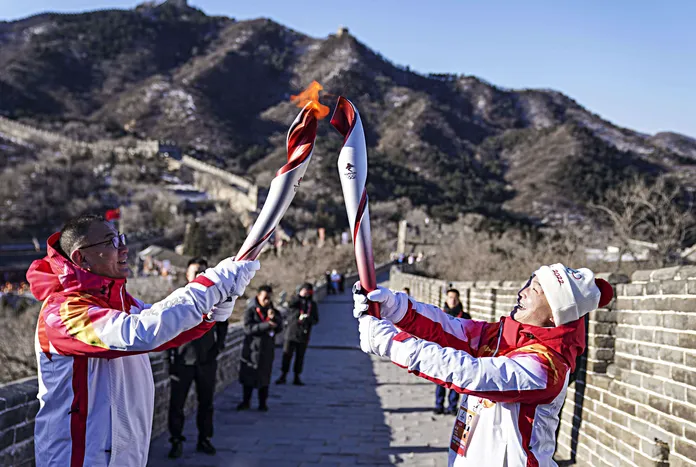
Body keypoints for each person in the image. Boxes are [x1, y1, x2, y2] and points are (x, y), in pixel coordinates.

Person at [27, 214, 260, 467]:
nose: (124, 248)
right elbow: (141, 332)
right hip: (78, 457)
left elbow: (166, 329)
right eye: (110, 243)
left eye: (120, 239)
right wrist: (213, 284)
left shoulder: (121, 302)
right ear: (81, 258)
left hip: (124, 456)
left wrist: (209, 313)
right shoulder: (62, 313)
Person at [353, 263, 613, 466]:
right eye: (528, 283)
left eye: (534, 290)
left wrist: (390, 343)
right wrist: (396, 307)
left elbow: (469, 373)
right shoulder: (504, 336)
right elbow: (452, 329)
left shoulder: (546, 366)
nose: (521, 293)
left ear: (555, 314)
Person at [167, 257, 229, 458]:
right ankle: (176, 440)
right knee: (177, 405)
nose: (199, 275)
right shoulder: (177, 298)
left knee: (207, 403)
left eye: (203, 272)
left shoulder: (214, 298)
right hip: (183, 360)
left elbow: (223, 323)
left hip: (206, 360)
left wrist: (217, 348)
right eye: (195, 272)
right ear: (187, 275)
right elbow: (167, 329)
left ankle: (205, 439)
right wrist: (170, 360)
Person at [237, 285, 283, 411]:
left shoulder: (273, 310)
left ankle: (263, 403)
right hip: (251, 349)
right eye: (264, 298)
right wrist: (266, 325)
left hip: (266, 349)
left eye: (269, 298)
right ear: (258, 296)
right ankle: (246, 402)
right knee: (248, 376)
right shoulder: (250, 311)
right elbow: (248, 328)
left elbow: (280, 328)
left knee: (264, 377)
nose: (267, 301)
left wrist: (274, 319)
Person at [434, 289, 471, 415]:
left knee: (456, 381)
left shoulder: (465, 317)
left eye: (455, 298)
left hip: (459, 353)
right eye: (450, 297)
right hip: (442, 352)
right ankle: (439, 405)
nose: (452, 300)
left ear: (459, 299)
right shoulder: (439, 315)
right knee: (441, 381)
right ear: (446, 299)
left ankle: (452, 407)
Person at [276, 283, 319, 386]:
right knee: (287, 355)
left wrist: (308, 319)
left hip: (304, 334)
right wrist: (299, 296)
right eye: (304, 290)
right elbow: (290, 304)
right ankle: (283, 375)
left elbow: (316, 320)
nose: (306, 292)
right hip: (291, 332)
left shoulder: (312, 304)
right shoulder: (296, 301)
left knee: (300, 357)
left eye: (308, 291)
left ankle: (297, 376)